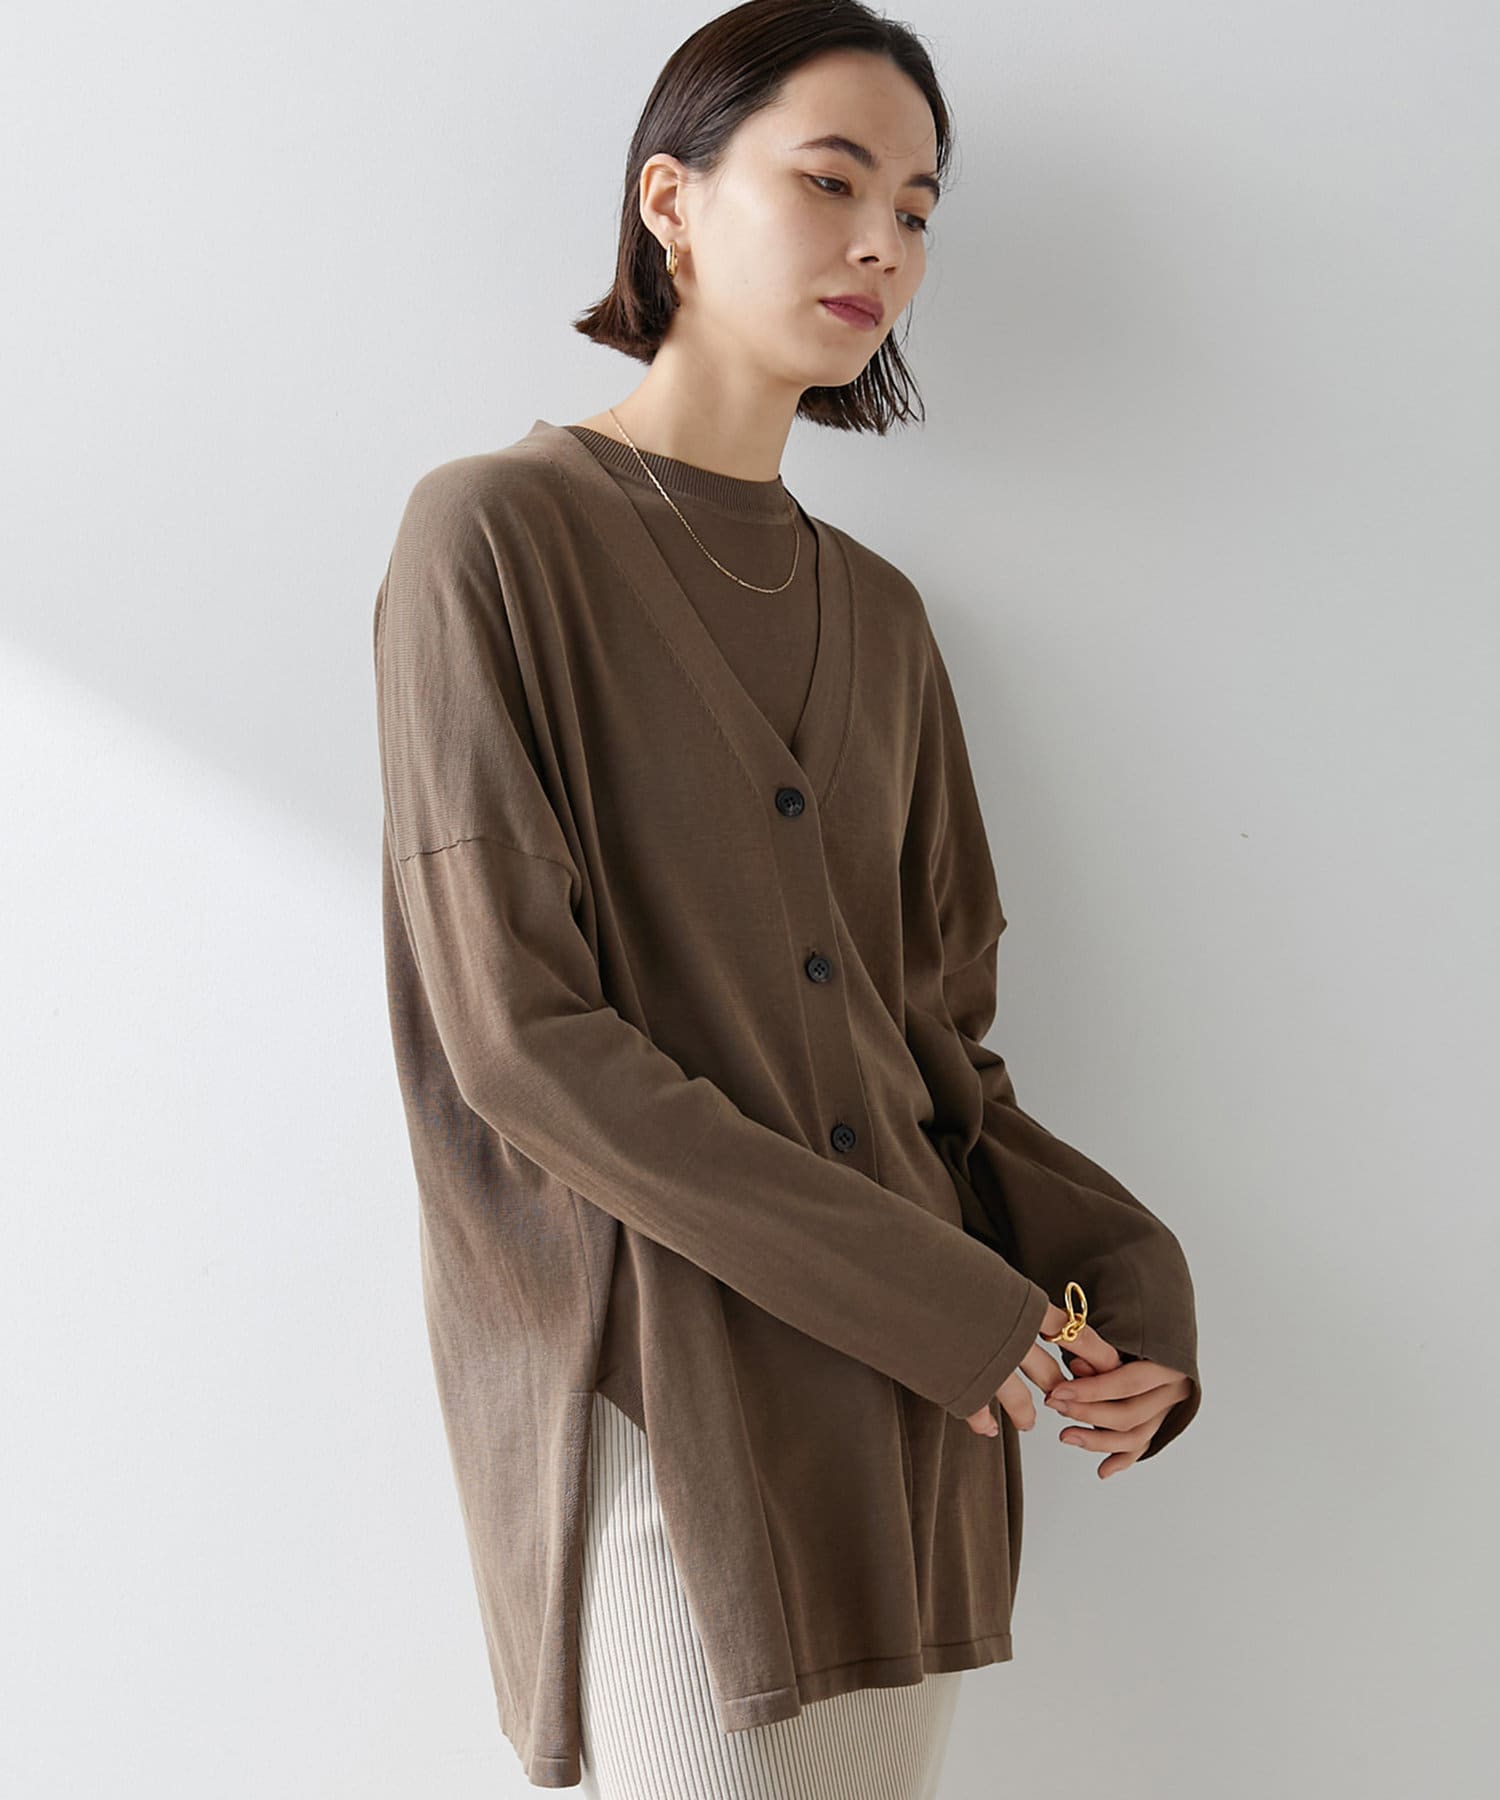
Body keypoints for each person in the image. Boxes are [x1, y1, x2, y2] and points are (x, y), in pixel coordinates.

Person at [372, 4, 1202, 1794]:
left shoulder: (886, 624)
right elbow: (518, 1045)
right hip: (670, 1406)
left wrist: (1120, 1285)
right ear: (669, 200)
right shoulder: (495, 539)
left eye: (916, 207)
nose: (881, 242)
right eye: (831, 182)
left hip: (922, 1434)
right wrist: (939, 1303)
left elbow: (940, 1058)